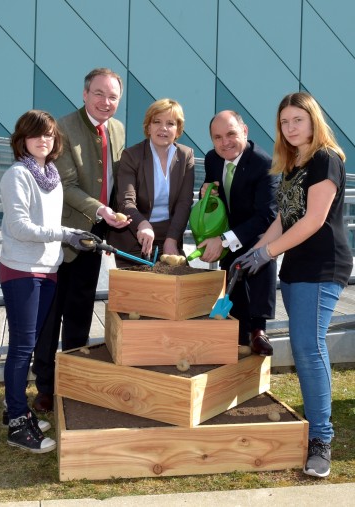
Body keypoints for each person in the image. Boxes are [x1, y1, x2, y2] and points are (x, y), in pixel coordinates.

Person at [236, 92, 353, 478]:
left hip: (322, 265)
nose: (290, 127)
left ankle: (321, 439)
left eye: (297, 120)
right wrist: (251, 251)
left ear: (313, 120)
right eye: (285, 122)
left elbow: (314, 220)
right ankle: (316, 425)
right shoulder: (293, 164)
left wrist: (266, 254)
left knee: (307, 346)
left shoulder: (325, 158)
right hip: (297, 266)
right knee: (306, 347)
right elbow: (285, 220)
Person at [32, 68, 130, 412]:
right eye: (99, 94)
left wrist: (122, 214)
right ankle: (45, 386)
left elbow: (117, 180)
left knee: (80, 313)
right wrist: (103, 210)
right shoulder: (61, 128)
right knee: (49, 316)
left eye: (113, 96)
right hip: (61, 239)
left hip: (94, 241)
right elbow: (67, 185)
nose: (106, 102)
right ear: (85, 94)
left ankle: (72, 380)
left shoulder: (118, 130)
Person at [0, 110, 97, 452]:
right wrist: (67, 234)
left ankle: (16, 408)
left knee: (31, 343)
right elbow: (20, 227)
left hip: (48, 270)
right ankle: (16, 424)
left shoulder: (51, 174)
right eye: (36, 134)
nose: (45, 140)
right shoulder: (16, 175)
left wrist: (66, 240)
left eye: (50, 135)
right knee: (22, 349)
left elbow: (51, 224)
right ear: (22, 139)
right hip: (21, 272)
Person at [197, 110, 279, 355]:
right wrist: (206, 195)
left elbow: (266, 216)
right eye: (218, 137)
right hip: (227, 240)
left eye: (231, 134)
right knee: (234, 311)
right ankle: (237, 346)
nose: (225, 142)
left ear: (245, 131)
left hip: (257, 240)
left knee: (254, 320)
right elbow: (216, 200)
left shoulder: (265, 164)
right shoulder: (212, 159)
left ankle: (258, 333)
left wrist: (223, 240)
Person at [107, 98, 194, 266]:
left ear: (178, 129)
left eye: (170, 123)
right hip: (134, 238)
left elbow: (184, 203)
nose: (163, 128)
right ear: (148, 127)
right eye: (157, 122)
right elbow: (126, 201)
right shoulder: (132, 155)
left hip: (169, 237)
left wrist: (172, 239)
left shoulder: (185, 155)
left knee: (177, 288)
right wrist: (142, 224)